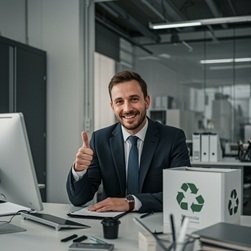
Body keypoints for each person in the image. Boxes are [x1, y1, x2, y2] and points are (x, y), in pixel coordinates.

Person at [66, 70, 191, 213]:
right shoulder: (100, 140)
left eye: (134, 99)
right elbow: (78, 199)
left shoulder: (173, 138)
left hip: (156, 223)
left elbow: (181, 192)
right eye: (119, 102)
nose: (127, 109)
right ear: (112, 106)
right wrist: (79, 171)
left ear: (147, 101)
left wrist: (131, 203)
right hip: (112, 227)